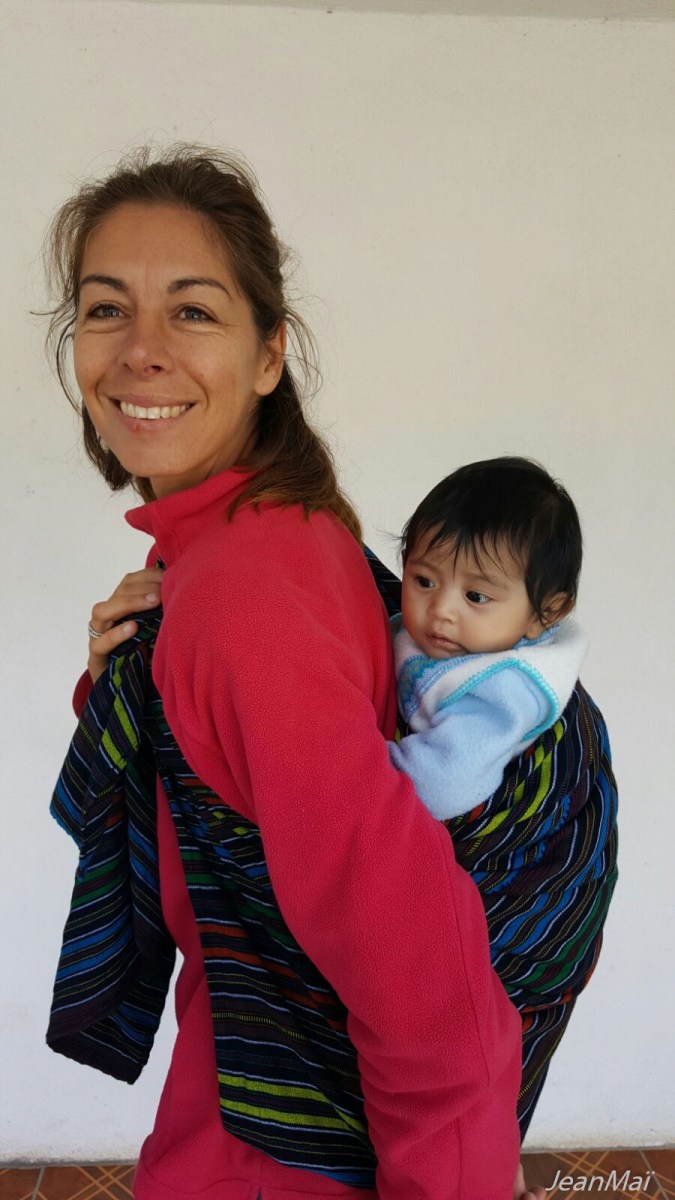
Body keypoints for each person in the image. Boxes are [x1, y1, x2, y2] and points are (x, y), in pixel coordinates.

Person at [43, 146, 546, 1200]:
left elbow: (421, 972)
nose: (139, 351)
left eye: (191, 311)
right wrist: (123, 683)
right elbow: (231, 784)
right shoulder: (266, 530)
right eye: (104, 309)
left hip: (274, 1157)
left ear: (270, 353)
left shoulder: (243, 594)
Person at [384, 458, 618, 1138]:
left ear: (546, 613)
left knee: (483, 1068)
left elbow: (444, 783)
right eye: (423, 579)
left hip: (537, 908)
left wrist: (353, 764)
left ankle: (492, 1158)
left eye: (477, 596)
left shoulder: (506, 687)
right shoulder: (448, 642)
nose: (441, 609)